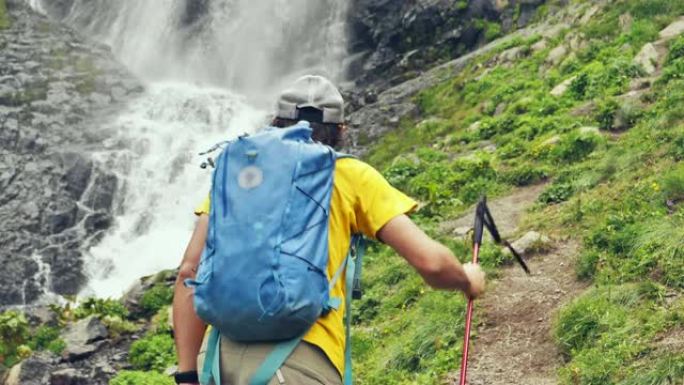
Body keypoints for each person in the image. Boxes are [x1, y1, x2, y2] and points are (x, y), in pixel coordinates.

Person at [172, 75, 486, 385]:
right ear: (341, 132)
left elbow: (190, 269)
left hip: (215, 360)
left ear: (274, 121)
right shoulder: (349, 174)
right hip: (300, 363)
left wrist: (187, 374)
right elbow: (431, 262)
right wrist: (466, 278)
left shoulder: (241, 174)